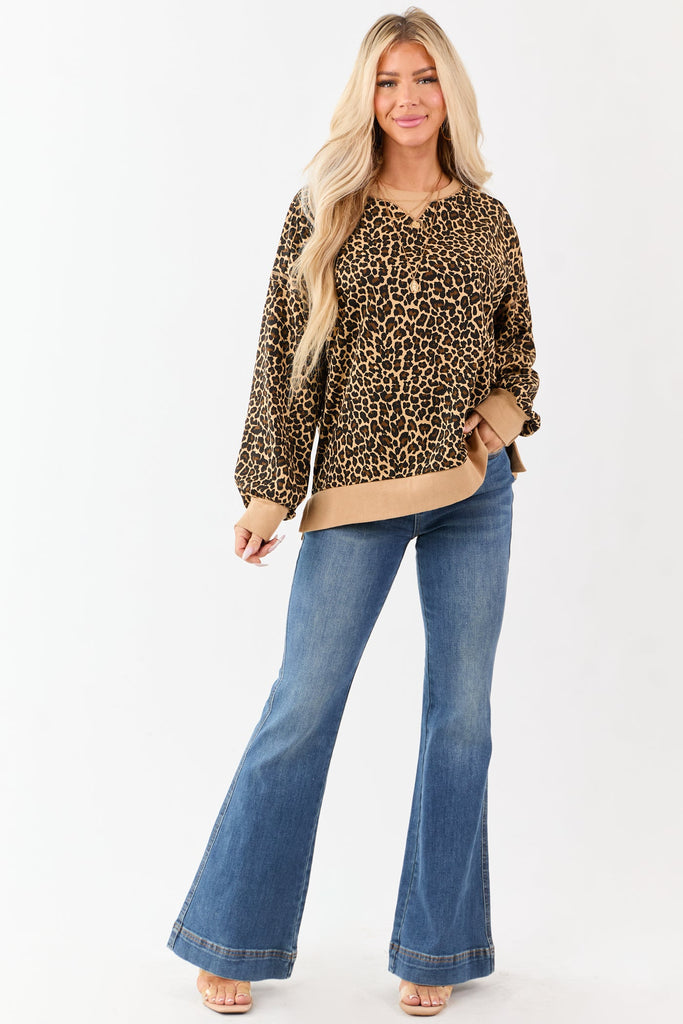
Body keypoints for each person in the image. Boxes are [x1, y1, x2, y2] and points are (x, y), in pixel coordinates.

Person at [167, 6, 540, 1017]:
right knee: (302, 705)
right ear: (364, 96)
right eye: (386, 80)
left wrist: (501, 415)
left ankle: (436, 947)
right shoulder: (324, 208)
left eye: (422, 77)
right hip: (358, 494)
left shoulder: (487, 219)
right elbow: (283, 362)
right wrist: (268, 491)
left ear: (448, 89)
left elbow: (517, 350)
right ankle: (231, 932)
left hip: (474, 492)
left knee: (461, 718)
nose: (406, 97)